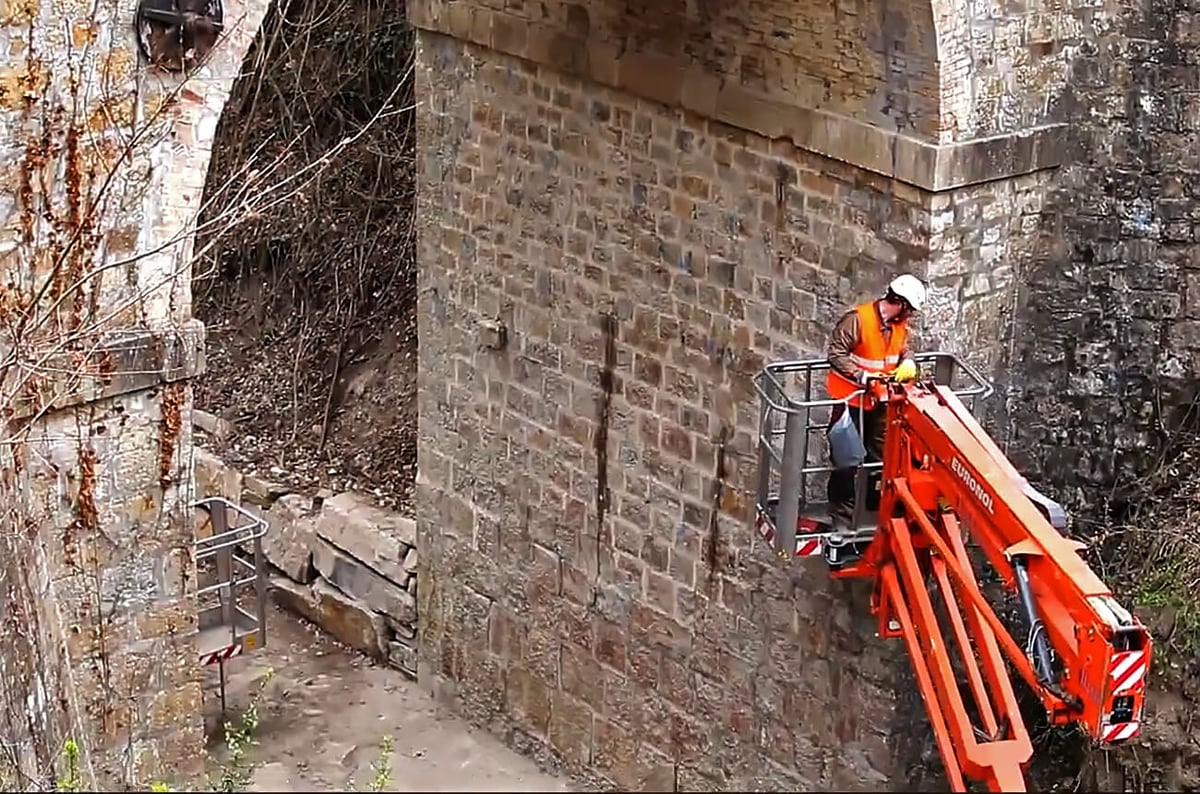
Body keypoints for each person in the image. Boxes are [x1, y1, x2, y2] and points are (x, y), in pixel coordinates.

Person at [824, 274, 927, 529]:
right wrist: (862, 376)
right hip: (851, 401)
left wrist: (909, 361)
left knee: (880, 458)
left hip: (881, 403)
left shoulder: (898, 325)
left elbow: (904, 348)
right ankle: (843, 517)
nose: (910, 316)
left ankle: (872, 513)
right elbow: (836, 352)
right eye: (910, 310)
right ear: (900, 303)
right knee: (846, 461)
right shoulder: (858, 320)